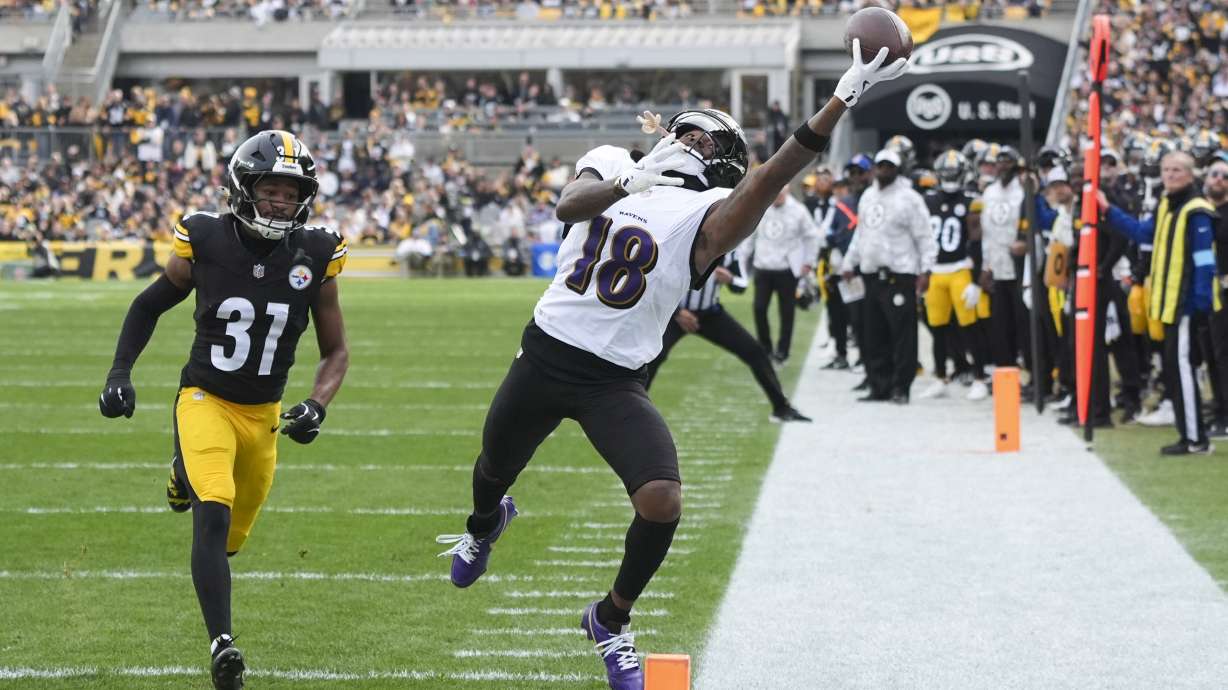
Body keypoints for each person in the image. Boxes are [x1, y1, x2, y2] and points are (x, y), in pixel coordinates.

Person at [434, 43, 906, 690]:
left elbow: (770, 179)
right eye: (685, 130)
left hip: (612, 379)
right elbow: (567, 208)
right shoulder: (612, 163)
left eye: (705, 142)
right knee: (491, 473)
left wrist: (842, 97)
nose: (686, 141)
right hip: (545, 352)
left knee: (662, 500)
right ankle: (484, 528)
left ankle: (610, 619)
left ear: (724, 170)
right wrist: (630, 181)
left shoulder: (706, 219)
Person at [98, 130, 350, 689]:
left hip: (263, 415)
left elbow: (336, 351)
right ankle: (223, 647)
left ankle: (180, 471)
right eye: (271, 191)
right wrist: (120, 373)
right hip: (204, 398)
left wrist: (316, 405)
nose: (282, 202)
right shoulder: (205, 237)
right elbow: (148, 304)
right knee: (211, 512)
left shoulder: (317, 251)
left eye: (292, 193)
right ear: (243, 188)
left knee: (231, 541)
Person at [1097, 151, 1218, 455]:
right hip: (1168, 304)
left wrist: (1200, 303)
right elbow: (1141, 233)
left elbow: (1205, 261)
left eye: (1177, 170)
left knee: (1183, 370)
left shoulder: (1197, 210)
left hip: (1186, 305)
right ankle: (1186, 433)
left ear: (1191, 175)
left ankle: (1195, 440)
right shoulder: (1166, 205)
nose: (1170, 175)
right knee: (1175, 372)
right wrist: (1108, 211)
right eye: (1166, 170)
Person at [646, 250, 811, 423]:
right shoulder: (683, 242)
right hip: (675, 315)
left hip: (710, 313)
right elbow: (655, 280)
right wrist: (677, 312)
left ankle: (781, 407)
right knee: (652, 357)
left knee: (755, 352)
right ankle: (632, 409)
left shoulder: (728, 249)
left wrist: (730, 279)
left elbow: (741, 284)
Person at [840, 148, 936, 404]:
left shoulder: (910, 198)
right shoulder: (868, 197)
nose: (884, 171)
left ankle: (901, 387)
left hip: (900, 274)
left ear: (897, 169)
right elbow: (861, 235)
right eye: (880, 166)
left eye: (889, 166)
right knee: (873, 334)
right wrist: (849, 263)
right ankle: (878, 385)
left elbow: (924, 236)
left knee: (903, 335)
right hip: (871, 274)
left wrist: (926, 269)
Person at [917, 149, 991, 402]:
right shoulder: (928, 200)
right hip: (936, 271)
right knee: (937, 329)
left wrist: (975, 277)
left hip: (960, 268)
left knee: (970, 327)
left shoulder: (971, 200)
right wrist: (923, 270)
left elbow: (977, 240)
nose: (950, 177)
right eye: (947, 173)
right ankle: (940, 377)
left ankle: (980, 377)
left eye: (954, 173)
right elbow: (923, 238)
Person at [743, 186, 822, 364]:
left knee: (787, 313)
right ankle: (766, 348)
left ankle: (783, 351)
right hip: (763, 267)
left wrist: (808, 262)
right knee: (759, 308)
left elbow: (812, 236)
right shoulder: (761, 206)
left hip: (787, 269)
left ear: (787, 190)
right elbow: (749, 235)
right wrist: (741, 260)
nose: (777, 195)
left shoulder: (799, 211)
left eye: (781, 192)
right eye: (775, 191)